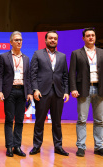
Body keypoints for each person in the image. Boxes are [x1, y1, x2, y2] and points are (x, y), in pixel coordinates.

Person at [29, 30, 69, 156]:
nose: (53, 40)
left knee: (57, 122)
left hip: (58, 93)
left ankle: (58, 146)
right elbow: (33, 74)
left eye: (55, 39)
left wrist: (66, 91)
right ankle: (36, 146)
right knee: (39, 121)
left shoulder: (62, 56)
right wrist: (35, 89)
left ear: (57, 41)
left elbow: (65, 76)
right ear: (46, 40)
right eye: (50, 38)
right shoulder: (38, 54)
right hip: (42, 92)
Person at [0, 31, 33, 157]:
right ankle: (9, 147)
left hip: (22, 91)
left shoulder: (26, 58)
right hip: (9, 91)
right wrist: (0, 91)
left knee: (19, 120)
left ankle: (17, 146)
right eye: (16, 40)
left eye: (21, 40)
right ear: (11, 42)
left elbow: (28, 77)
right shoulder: (4, 56)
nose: (19, 42)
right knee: (8, 120)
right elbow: (0, 76)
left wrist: (29, 92)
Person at [69, 28, 103, 157]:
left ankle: (99, 147)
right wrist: (73, 88)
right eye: (88, 36)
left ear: (95, 37)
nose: (91, 38)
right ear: (83, 38)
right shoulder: (76, 53)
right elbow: (72, 72)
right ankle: (81, 147)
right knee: (82, 119)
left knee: (100, 120)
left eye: (93, 35)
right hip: (83, 89)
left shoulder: (101, 53)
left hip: (99, 89)